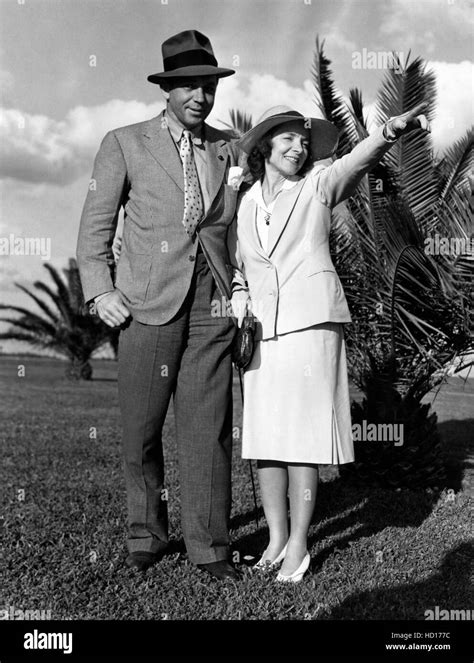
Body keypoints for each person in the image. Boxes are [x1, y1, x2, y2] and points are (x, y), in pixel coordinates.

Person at [228, 103, 430, 582]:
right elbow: (241, 263)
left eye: (304, 141)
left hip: (312, 324)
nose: (299, 148)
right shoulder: (246, 201)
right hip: (262, 332)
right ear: (264, 147)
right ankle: (276, 539)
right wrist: (238, 296)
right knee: (267, 439)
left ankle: (299, 545)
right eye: (289, 140)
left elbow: (353, 163)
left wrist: (386, 132)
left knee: (301, 438)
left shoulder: (318, 186)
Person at [77, 30, 242, 580]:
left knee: (208, 429)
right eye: (190, 85)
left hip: (211, 304)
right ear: (168, 88)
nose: (201, 96)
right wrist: (101, 291)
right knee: (141, 430)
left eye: (209, 86)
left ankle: (210, 546)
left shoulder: (227, 147)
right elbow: (96, 228)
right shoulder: (124, 141)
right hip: (146, 305)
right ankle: (146, 532)